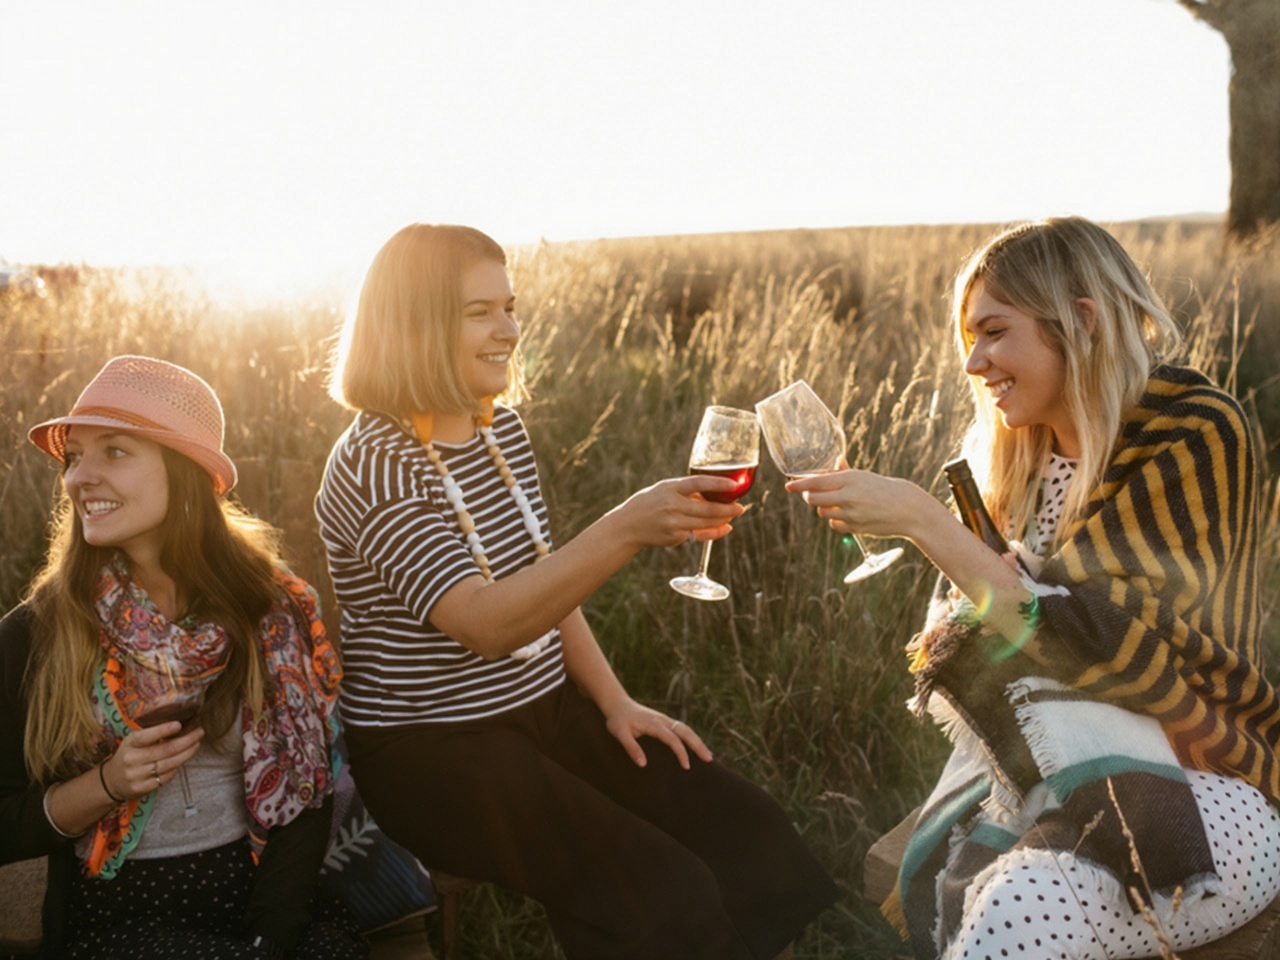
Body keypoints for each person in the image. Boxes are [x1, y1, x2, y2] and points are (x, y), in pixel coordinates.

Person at [314, 223, 838, 960]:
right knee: (660, 891)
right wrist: (624, 528)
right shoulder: (375, 461)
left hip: (545, 714)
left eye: (510, 306)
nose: (509, 329)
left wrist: (614, 702)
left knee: (744, 829)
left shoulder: (502, 431)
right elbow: (487, 626)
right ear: (415, 323)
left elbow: (543, 584)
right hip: (433, 754)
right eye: (480, 312)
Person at [790, 216, 1280, 959]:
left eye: (993, 332)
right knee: (984, 893)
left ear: (1079, 321)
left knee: (1016, 908)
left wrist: (928, 525)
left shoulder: (1195, 429)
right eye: (968, 340)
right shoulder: (1019, 460)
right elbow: (992, 643)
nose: (973, 362)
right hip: (1051, 784)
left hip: (1205, 782)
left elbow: (1119, 652)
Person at [0, 355, 361, 959]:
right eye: (74, 456)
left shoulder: (269, 609)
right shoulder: (39, 633)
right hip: (122, 917)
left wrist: (267, 941)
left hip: (257, 891)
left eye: (114, 451)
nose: (78, 477)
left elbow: (305, 791)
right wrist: (108, 784)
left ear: (186, 472)